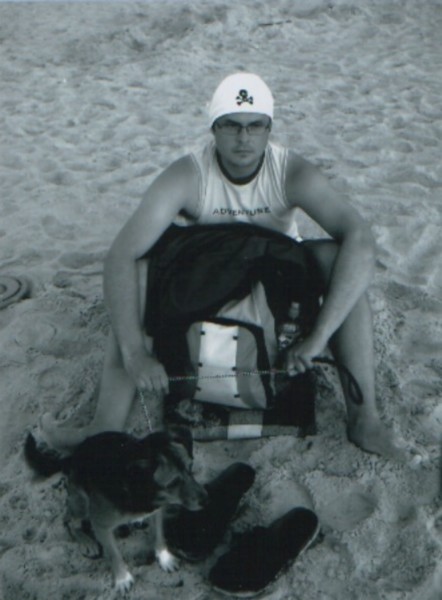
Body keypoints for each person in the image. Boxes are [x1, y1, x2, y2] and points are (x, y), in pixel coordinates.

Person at [41, 72, 400, 458]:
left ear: (269, 129)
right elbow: (121, 256)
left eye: (254, 126)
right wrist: (134, 353)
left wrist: (318, 337)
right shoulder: (188, 174)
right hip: (207, 281)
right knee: (141, 272)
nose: (244, 138)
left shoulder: (290, 171)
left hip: (274, 281)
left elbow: (360, 238)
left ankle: (364, 418)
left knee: (337, 262)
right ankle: (105, 427)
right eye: (231, 125)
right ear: (214, 128)